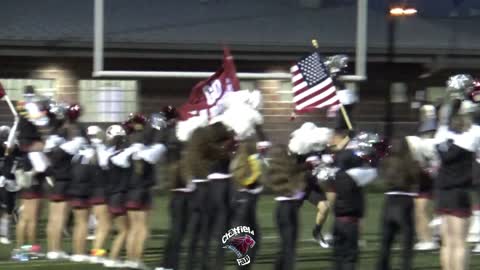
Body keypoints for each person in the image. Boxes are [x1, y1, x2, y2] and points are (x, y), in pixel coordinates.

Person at [124, 114, 166, 269]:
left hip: (129, 190)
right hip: (142, 190)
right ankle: (137, 260)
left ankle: (130, 259)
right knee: (142, 228)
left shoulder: (126, 141)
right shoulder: (144, 142)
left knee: (133, 228)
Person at [376, 138, 421, 270]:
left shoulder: (386, 162)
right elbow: (417, 179)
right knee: (407, 243)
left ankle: (382, 267)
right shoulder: (411, 162)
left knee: (386, 242)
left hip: (389, 201)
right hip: (405, 201)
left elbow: (382, 177)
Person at [267, 145, 306, 270]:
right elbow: (291, 171)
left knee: (287, 246)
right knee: (289, 248)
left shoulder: (279, 169)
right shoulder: (282, 169)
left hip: (285, 208)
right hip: (286, 208)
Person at [0, 126, 21, 245]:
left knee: (8, 210)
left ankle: (6, 234)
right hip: (3, 181)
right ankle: (3, 233)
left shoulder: (15, 149)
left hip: (11, 182)